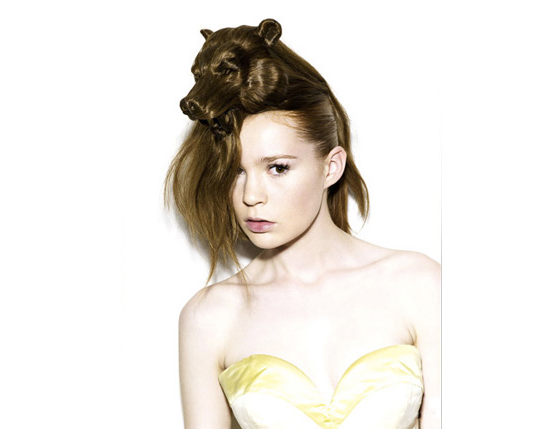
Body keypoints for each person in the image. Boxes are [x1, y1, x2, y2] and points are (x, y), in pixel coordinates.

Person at [166, 18, 440, 429]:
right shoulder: (209, 317)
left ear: (331, 167)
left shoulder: (419, 283)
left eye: (277, 167)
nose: (251, 195)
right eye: (235, 172)